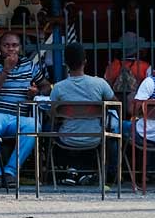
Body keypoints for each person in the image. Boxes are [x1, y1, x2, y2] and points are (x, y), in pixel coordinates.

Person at [0, 30, 51, 188]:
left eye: (15, 46)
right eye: (6, 45)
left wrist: (37, 92)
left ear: (20, 48)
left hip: (18, 117)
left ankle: (10, 171)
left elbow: (46, 86)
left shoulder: (29, 65)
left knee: (33, 125)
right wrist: (5, 71)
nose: (11, 49)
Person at [48, 43, 118, 185]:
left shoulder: (58, 88)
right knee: (114, 130)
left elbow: (52, 114)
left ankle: (56, 170)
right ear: (85, 61)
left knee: (46, 127)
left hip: (67, 138)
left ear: (65, 63)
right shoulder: (100, 84)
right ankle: (110, 173)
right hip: (96, 138)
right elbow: (116, 104)